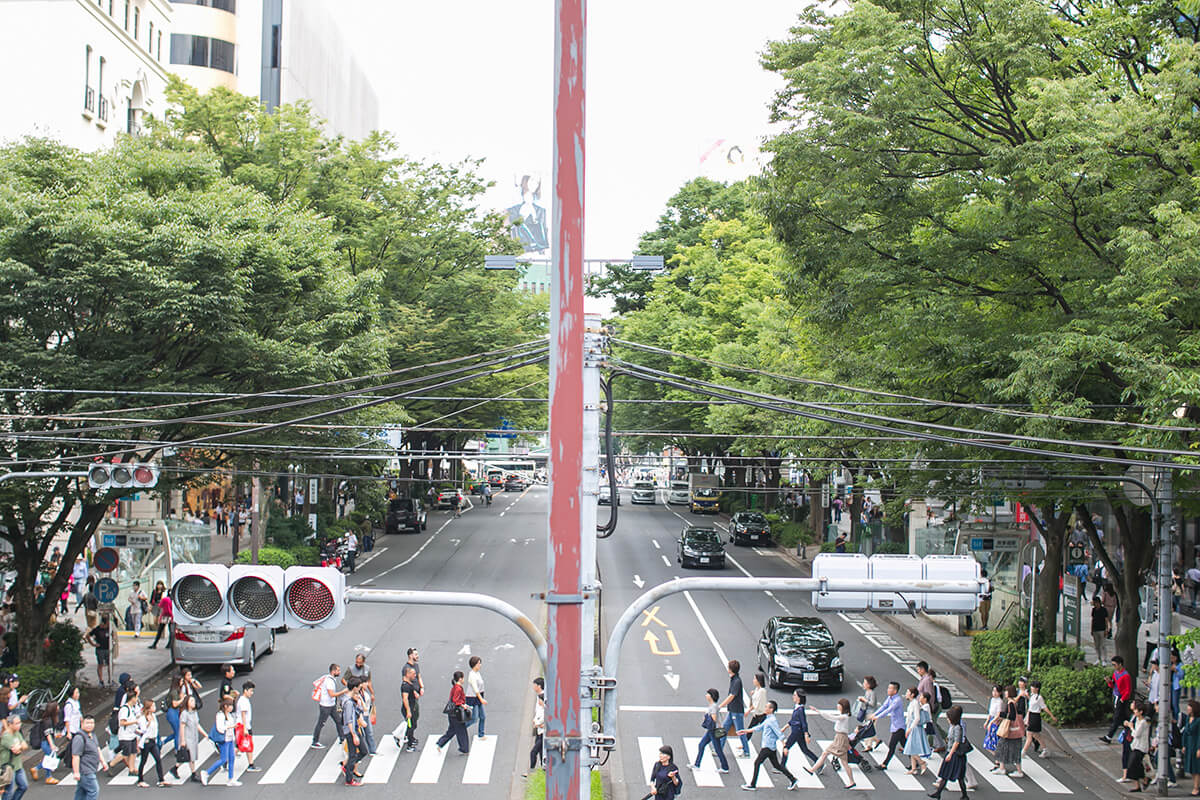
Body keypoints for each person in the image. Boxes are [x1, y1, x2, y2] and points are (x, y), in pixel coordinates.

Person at [736, 700, 800, 790]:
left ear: (771, 709)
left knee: (757, 763)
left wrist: (785, 746)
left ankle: (752, 785)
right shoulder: (768, 719)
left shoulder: (772, 720)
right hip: (770, 746)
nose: (765, 708)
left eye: (767, 707)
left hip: (768, 747)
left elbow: (779, 733)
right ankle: (793, 779)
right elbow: (759, 727)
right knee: (777, 765)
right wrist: (745, 731)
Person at [804, 699, 857, 786]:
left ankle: (851, 781)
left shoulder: (844, 716)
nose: (837, 706)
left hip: (841, 739)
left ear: (843, 706)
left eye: (839, 705)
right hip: (839, 738)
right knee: (828, 754)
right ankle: (812, 770)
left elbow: (832, 717)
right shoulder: (843, 715)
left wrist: (818, 711)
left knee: (843, 761)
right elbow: (833, 718)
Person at [927, 705, 970, 799]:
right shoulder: (953, 726)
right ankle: (939, 793)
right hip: (951, 753)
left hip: (955, 755)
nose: (947, 719)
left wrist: (950, 754)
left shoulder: (958, 727)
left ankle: (964, 795)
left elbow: (957, 742)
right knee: (948, 775)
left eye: (948, 717)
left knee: (956, 776)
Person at [690, 689, 730, 774]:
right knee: (701, 745)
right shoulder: (713, 705)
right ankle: (697, 765)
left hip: (713, 730)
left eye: (708, 694)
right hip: (711, 730)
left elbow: (714, 718)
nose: (706, 695)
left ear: (711, 696)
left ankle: (725, 767)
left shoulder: (713, 707)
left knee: (717, 749)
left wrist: (706, 717)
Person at [201, 697, 238, 786]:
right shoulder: (220, 715)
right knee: (223, 759)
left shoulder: (229, 715)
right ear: (225, 706)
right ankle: (206, 773)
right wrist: (230, 727)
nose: (232, 707)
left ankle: (231, 779)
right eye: (230, 706)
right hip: (223, 740)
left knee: (232, 758)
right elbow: (220, 728)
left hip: (229, 739)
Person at [872, 681, 907, 769]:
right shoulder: (890, 698)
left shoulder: (897, 700)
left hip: (899, 727)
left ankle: (885, 764)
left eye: (890, 688)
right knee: (905, 745)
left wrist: (877, 717)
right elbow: (884, 706)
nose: (888, 690)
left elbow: (889, 710)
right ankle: (918, 762)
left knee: (892, 745)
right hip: (896, 726)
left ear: (895, 691)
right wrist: (875, 714)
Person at [718, 660, 749, 758]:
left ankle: (746, 752)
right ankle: (719, 749)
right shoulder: (734, 679)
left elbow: (732, 696)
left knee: (740, 731)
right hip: (732, 710)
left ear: (730, 669)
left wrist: (720, 706)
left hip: (736, 711)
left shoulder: (737, 681)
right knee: (724, 729)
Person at [344, 655, 374, 755]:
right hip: (356, 721)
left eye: (360, 663)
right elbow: (349, 718)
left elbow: (369, 682)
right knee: (361, 734)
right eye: (357, 662)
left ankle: (371, 749)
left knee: (368, 732)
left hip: (362, 714)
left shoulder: (367, 669)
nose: (358, 664)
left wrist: (372, 692)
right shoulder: (351, 669)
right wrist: (350, 686)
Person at [435, 671, 470, 755]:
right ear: (460, 679)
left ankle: (440, 743)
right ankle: (464, 749)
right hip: (456, 713)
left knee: (452, 730)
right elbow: (455, 700)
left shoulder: (455, 687)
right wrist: (462, 705)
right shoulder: (458, 688)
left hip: (452, 713)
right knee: (461, 731)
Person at [311, 663, 345, 748]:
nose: (339, 672)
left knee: (338, 721)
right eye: (338, 670)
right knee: (321, 723)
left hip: (331, 705)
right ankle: (315, 741)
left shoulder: (329, 678)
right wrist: (343, 692)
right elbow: (331, 694)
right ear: (333, 671)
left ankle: (342, 738)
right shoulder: (329, 681)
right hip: (326, 706)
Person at [781, 690, 820, 766]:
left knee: (786, 746)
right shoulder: (797, 707)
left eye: (795, 695)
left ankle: (782, 766)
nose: (793, 697)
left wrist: (806, 734)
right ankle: (819, 763)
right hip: (798, 731)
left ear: (799, 698)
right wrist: (784, 727)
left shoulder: (800, 709)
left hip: (796, 732)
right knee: (804, 749)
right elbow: (793, 720)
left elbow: (804, 722)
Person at [994, 685, 1025, 778]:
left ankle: (1003, 768)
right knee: (1013, 750)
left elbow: (1012, 716)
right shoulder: (1013, 702)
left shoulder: (1010, 703)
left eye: (1006, 691)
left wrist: (1001, 714)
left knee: (1002, 747)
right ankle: (1014, 770)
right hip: (1014, 732)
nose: (1005, 693)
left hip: (1010, 731)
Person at [134, 700, 167, 788]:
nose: (155, 708)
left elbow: (156, 729)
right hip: (146, 742)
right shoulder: (142, 718)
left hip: (153, 741)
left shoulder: (154, 716)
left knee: (158, 759)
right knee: (143, 761)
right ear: (148, 708)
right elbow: (143, 730)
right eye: (153, 706)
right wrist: (148, 723)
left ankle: (161, 780)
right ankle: (140, 780)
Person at [1102, 656, 1134, 743]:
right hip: (1116, 696)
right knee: (1123, 717)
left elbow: (1128, 690)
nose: (1114, 667)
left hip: (1121, 698)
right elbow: (1113, 685)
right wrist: (1109, 682)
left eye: (1115, 665)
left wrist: (1122, 699)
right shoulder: (1115, 673)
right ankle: (1130, 731)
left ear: (1120, 664)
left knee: (1117, 717)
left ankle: (1109, 736)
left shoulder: (1125, 675)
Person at [110, 684, 140, 775]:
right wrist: (134, 722)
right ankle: (112, 764)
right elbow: (122, 723)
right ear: (132, 699)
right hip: (125, 735)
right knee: (125, 753)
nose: (136, 700)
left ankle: (131, 769)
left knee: (133, 752)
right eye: (135, 698)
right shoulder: (125, 709)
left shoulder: (131, 708)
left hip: (132, 734)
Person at [340, 678, 365, 787]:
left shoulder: (348, 698)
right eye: (359, 687)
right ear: (354, 687)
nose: (360, 689)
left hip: (354, 729)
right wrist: (354, 734)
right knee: (353, 755)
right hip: (351, 731)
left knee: (364, 751)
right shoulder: (348, 702)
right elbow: (349, 719)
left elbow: (358, 712)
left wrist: (359, 702)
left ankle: (347, 767)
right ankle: (349, 779)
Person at [71, 715, 102, 800]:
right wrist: (76, 772)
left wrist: (103, 762)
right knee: (94, 790)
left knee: (81, 793)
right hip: (85, 770)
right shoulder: (79, 737)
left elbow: (97, 748)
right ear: (82, 723)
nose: (90, 725)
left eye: (92, 723)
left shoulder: (92, 735)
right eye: (87, 723)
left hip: (91, 768)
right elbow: (76, 756)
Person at [29, 701, 60, 784]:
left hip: (46, 743)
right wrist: (52, 745)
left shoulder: (47, 719)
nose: (58, 708)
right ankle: (48, 777)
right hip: (46, 743)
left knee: (49, 758)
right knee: (50, 759)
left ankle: (36, 769)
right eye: (57, 707)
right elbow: (48, 734)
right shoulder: (48, 721)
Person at [1024, 680, 1057, 758]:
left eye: (1033, 687)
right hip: (1031, 716)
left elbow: (1044, 707)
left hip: (1035, 717)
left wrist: (1052, 716)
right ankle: (1045, 749)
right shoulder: (1032, 696)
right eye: (1031, 686)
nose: (1031, 688)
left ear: (1037, 688)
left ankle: (1023, 752)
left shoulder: (1039, 698)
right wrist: (1027, 718)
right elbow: (1030, 707)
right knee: (1036, 735)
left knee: (1029, 734)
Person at [903, 688, 932, 775]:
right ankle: (914, 768)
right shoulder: (913, 703)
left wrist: (910, 728)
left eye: (907, 692)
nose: (906, 694)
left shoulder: (915, 703)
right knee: (912, 748)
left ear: (912, 694)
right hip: (911, 727)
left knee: (911, 748)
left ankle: (922, 763)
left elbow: (917, 718)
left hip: (914, 728)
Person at [393, 664, 420, 752]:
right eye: (413, 674)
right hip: (408, 709)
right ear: (407, 674)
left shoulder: (409, 684)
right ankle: (409, 745)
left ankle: (410, 739)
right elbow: (405, 699)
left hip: (411, 708)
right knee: (410, 726)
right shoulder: (405, 686)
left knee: (411, 725)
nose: (415, 675)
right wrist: (408, 711)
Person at [1125, 701, 1152, 792]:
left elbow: (1137, 734)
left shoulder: (1144, 722)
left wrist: (1131, 727)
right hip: (1135, 745)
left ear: (1141, 712)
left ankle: (1143, 781)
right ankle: (1140, 783)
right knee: (1137, 766)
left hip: (1141, 747)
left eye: (1136, 710)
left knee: (1132, 765)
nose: (1134, 712)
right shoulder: (1137, 719)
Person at [1, 713, 28, 800]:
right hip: (8, 768)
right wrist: (20, 746)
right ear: (10, 724)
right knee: (9, 792)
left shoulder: (17, 733)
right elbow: (15, 750)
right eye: (16, 723)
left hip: (18, 766)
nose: (19, 725)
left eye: (19, 722)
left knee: (24, 786)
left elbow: (25, 746)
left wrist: (19, 746)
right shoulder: (6, 736)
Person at [177, 695, 204, 783]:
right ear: (187, 702)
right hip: (187, 737)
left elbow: (197, 724)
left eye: (194, 701)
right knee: (190, 756)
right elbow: (182, 726)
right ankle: (193, 774)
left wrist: (205, 734)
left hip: (194, 736)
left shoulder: (194, 712)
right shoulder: (184, 713)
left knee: (188, 756)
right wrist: (183, 740)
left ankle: (175, 767)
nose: (194, 703)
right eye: (191, 701)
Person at [237, 682, 258, 772]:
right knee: (244, 746)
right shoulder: (243, 701)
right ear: (245, 691)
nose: (252, 693)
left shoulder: (243, 700)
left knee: (241, 746)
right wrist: (245, 729)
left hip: (243, 726)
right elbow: (243, 715)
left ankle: (251, 764)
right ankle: (251, 764)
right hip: (244, 727)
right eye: (250, 691)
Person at [854, 676, 879, 750]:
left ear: (869, 685)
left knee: (868, 729)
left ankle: (869, 746)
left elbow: (873, 704)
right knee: (869, 729)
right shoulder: (867, 692)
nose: (863, 684)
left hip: (871, 714)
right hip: (867, 713)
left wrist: (864, 700)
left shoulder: (872, 693)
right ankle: (876, 741)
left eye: (864, 683)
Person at [466, 655, 488, 740]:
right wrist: (481, 699)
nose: (480, 665)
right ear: (474, 664)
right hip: (473, 698)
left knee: (483, 716)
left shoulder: (477, 673)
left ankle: (481, 734)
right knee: (474, 718)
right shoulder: (472, 675)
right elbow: (475, 689)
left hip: (479, 697)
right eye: (479, 663)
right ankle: (462, 728)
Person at [1181, 700, 1200, 797]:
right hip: (1188, 744)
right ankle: (1196, 785)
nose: (1188, 709)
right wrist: (1184, 745)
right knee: (1191, 767)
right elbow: (1185, 732)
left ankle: (1196, 787)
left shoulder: (1198, 720)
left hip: (1195, 744)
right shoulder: (1188, 718)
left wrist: (1199, 748)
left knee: (1196, 768)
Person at [85, 620, 110, 688]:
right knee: (100, 664)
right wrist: (93, 644)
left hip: (108, 649)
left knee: (109, 664)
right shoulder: (97, 629)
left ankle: (110, 679)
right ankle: (101, 680)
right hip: (100, 649)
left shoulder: (109, 629)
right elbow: (88, 635)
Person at [982, 685, 1004, 766]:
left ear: (1000, 692)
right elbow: (990, 713)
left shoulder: (1000, 702)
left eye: (996, 691)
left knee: (992, 742)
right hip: (992, 721)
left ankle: (998, 759)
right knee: (989, 743)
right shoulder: (992, 700)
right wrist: (987, 721)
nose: (994, 693)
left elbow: (998, 714)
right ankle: (998, 759)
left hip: (995, 722)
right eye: (993, 691)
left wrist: (991, 723)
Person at [528, 677, 544, 774]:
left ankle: (532, 770)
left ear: (539, 686)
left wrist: (537, 723)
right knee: (541, 752)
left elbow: (545, 713)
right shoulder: (540, 696)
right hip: (539, 730)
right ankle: (543, 770)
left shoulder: (542, 697)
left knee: (534, 752)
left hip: (542, 731)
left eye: (535, 685)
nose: (533, 687)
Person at [1092, 595, 1111, 664]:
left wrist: (1106, 629)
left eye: (1095, 602)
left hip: (1102, 629)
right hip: (1095, 629)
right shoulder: (1094, 610)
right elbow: (1093, 619)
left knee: (1103, 645)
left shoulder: (1103, 610)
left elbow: (1106, 620)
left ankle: (1104, 659)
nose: (1094, 604)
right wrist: (1091, 629)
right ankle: (1098, 658)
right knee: (1096, 645)